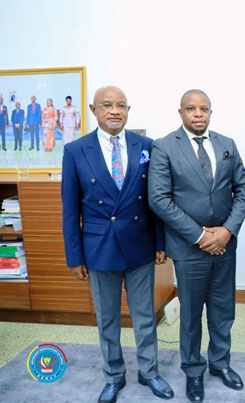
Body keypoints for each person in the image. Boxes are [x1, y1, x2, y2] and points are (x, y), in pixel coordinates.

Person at [62, 86, 174, 403]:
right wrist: (74, 257)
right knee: (108, 319)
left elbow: (156, 200)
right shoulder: (75, 150)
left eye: (121, 105)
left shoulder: (147, 146)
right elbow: (70, 209)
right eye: (107, 105)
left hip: (140, 243)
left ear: (128, 110)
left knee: (145, 316)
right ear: (93, 109)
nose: (114, 111)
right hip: (99, 248)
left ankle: (149, 372)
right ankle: (113, 376)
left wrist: (161, 241)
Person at [148, 89, 245, 403]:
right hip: (189, 248)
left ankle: (220, 364)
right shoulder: (165, 146)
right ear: (180, 112)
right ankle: (193, 371)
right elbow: (159, 199)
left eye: (204, 109)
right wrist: (201, 236)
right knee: (191, 316)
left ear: (210, 112)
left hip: (225, 246)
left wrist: (227, 231)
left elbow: (243, 189)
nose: (198, 114)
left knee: (223, 311)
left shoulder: (226, 144)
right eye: (191, 109)